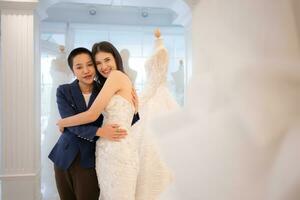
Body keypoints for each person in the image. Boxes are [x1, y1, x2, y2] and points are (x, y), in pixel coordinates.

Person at [57, 41, 172, 200]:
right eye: (98, 63)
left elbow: (92, 115)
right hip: (103, 148)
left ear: (116, 58)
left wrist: (63, 122)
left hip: (117, 148)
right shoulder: (102, 84)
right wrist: (134, 108)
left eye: (107, 60)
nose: (103, 66)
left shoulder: (116, 77)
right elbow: (126, 114)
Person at [48, 47, 139, 200]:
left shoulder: (105, 88)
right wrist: (99, 131)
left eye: (90, 65)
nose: (86, 70)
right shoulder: (63, 91)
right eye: (79, 67)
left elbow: (123, 117)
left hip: (90, 158)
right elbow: (73, 125)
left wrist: (135, 107)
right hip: (64, 156)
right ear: (73, 71)